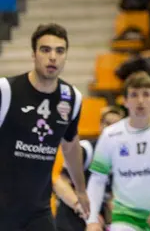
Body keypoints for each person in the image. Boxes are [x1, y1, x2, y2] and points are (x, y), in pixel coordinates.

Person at [0, 24, 91, 230]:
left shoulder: (71, 98)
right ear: (33, 54)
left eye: (60, 51)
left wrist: (81, 189)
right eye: (45, 50)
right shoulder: (6, 90)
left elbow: (70, 145)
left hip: (38, 211)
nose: (53, 57)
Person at [84, 72, 150, 231]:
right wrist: (92, 220)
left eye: (146, 94)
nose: (140, 100)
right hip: (126, 217)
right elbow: (98, 178)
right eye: (134, 95)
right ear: (124, 101)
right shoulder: (111, 135)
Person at [55, 107, 125, 231]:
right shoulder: (87, 150)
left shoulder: (122, 158)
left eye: (116, 125)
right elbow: (59, 182)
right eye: (107, 123)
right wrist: (81, 207)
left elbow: (111, 198)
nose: (111, 129)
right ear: (100, 126)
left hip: (97, 222)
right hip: (71, 221)